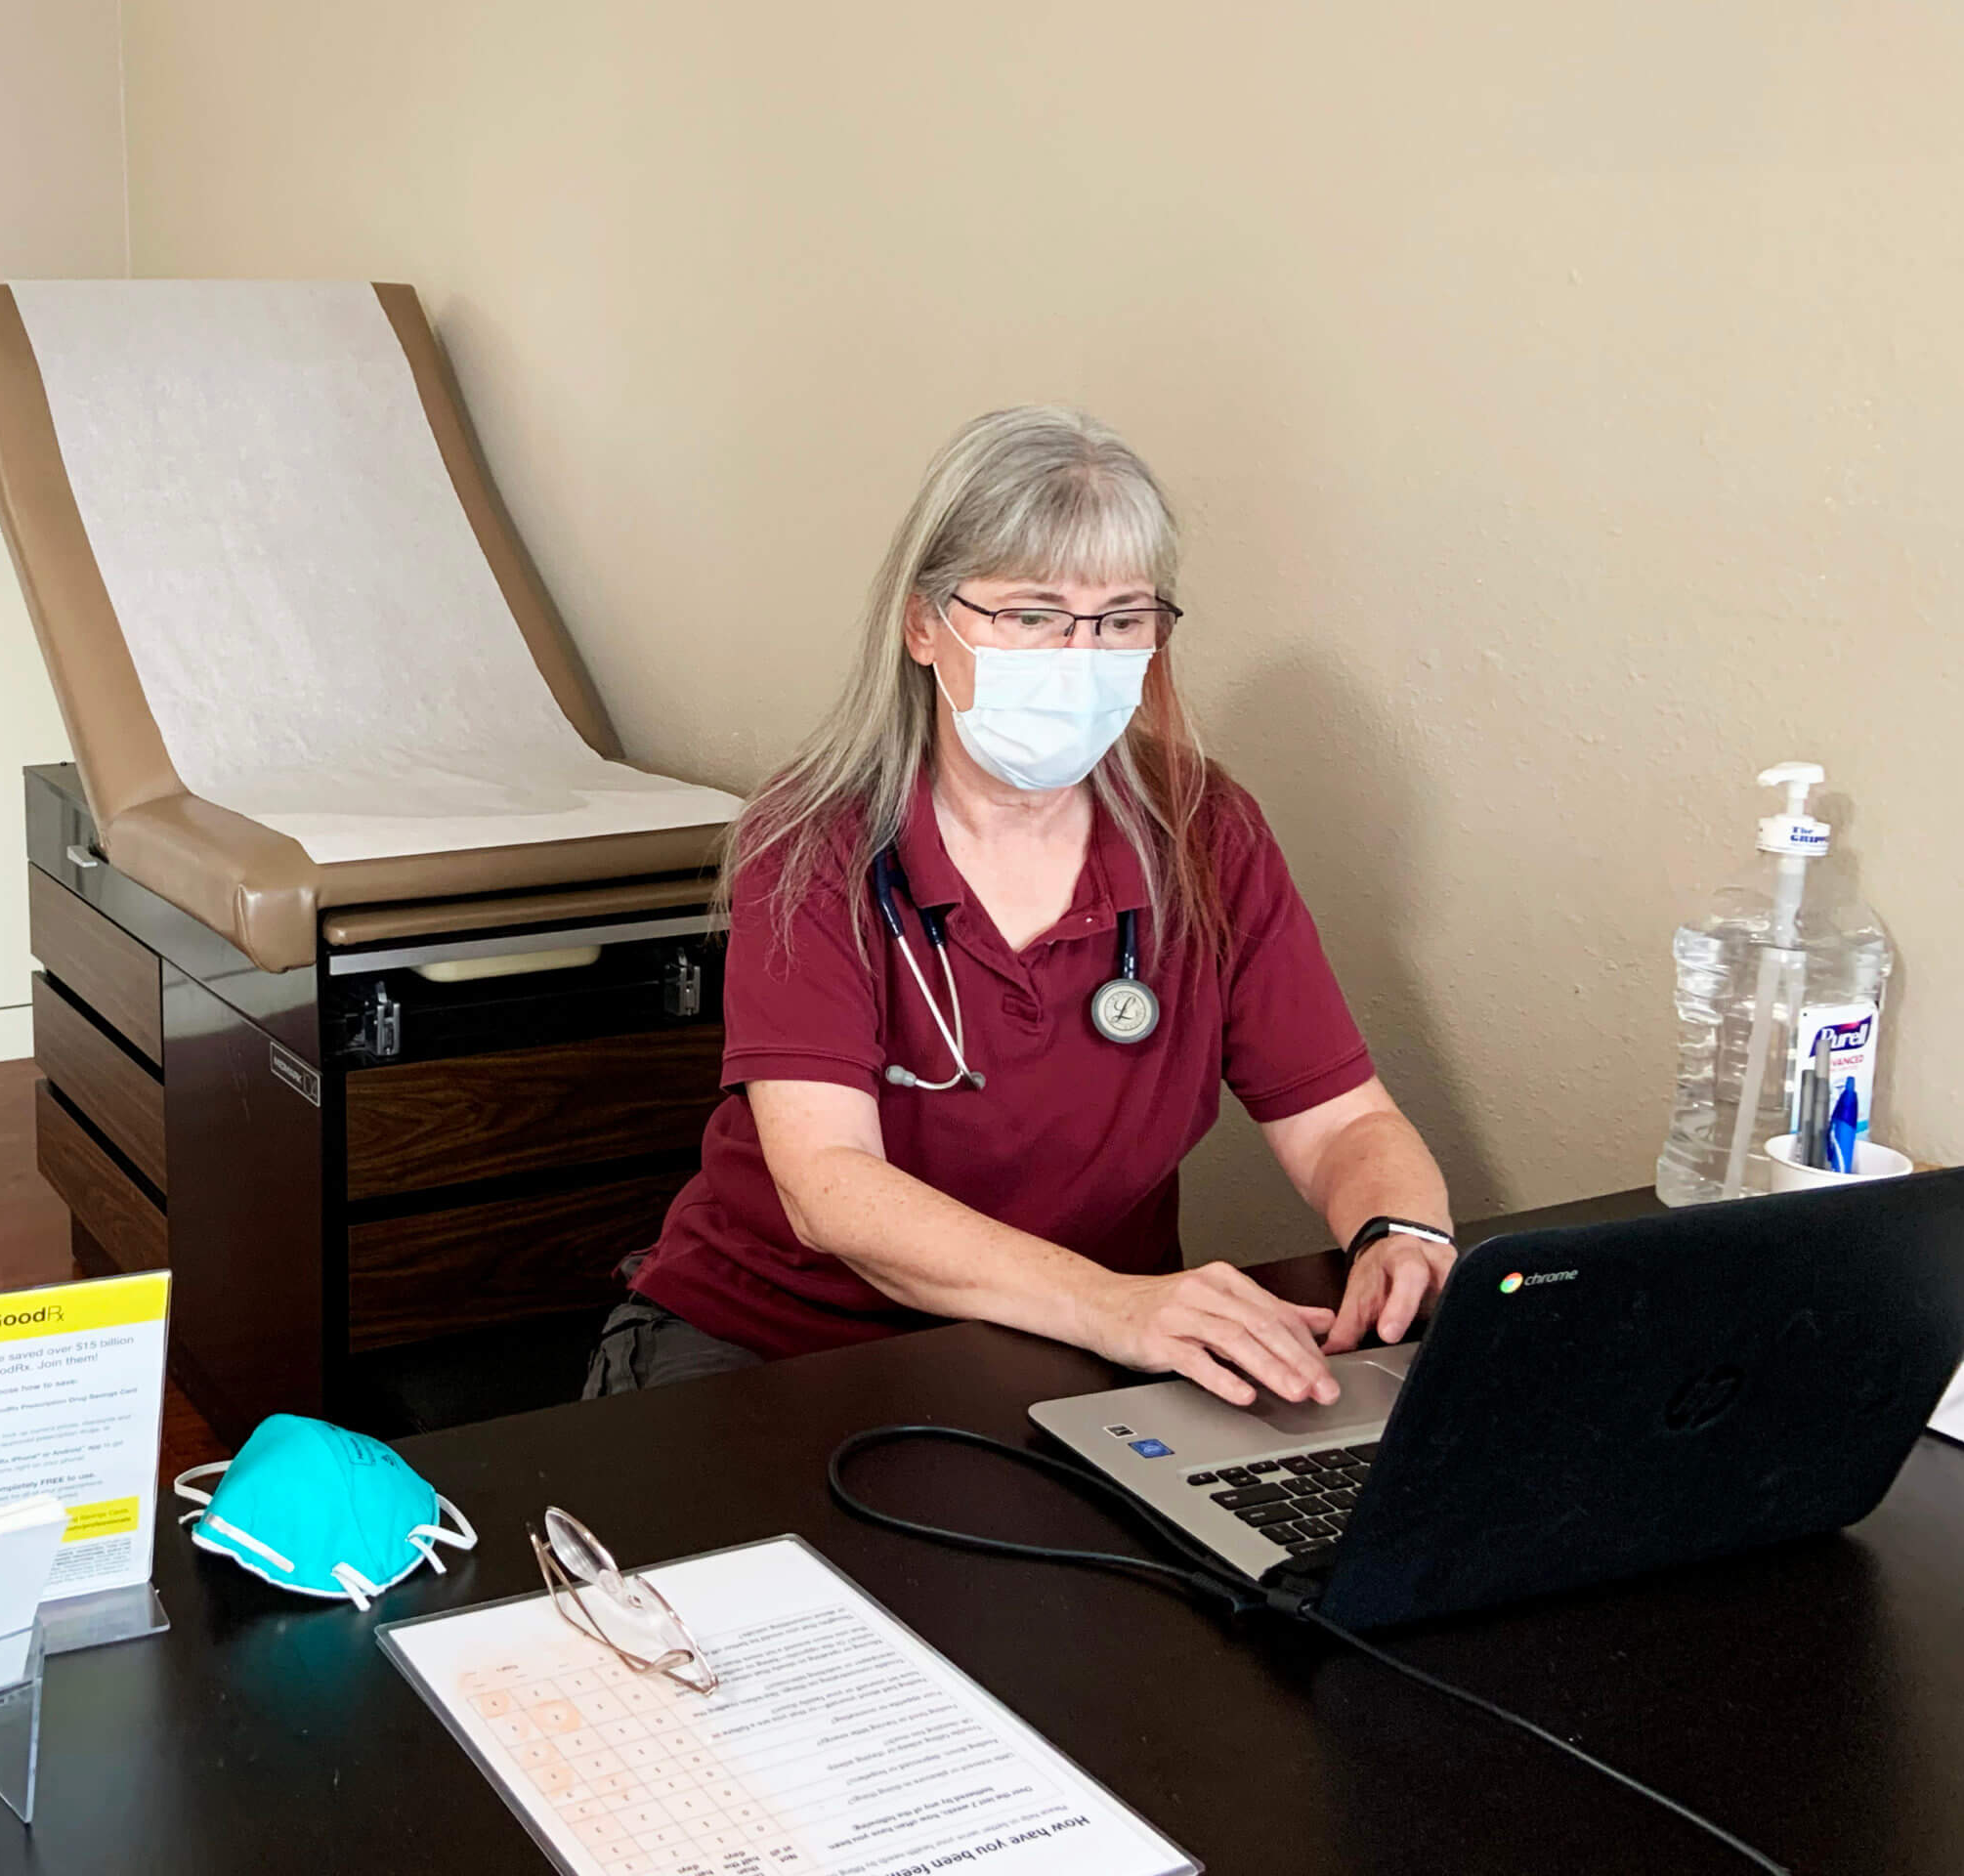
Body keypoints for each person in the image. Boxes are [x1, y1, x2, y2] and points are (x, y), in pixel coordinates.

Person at [585, 406, 1452, 1405]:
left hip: (1063, 1342)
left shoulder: (1205, 831)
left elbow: (1341, 1122)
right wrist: (1114, 1307)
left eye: (1121, 619)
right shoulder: (815, 836)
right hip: (779, 1337)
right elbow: (829, 1188)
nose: (1078, 658)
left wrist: (1399, 1231)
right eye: (1032, 614)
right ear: (924, 625)